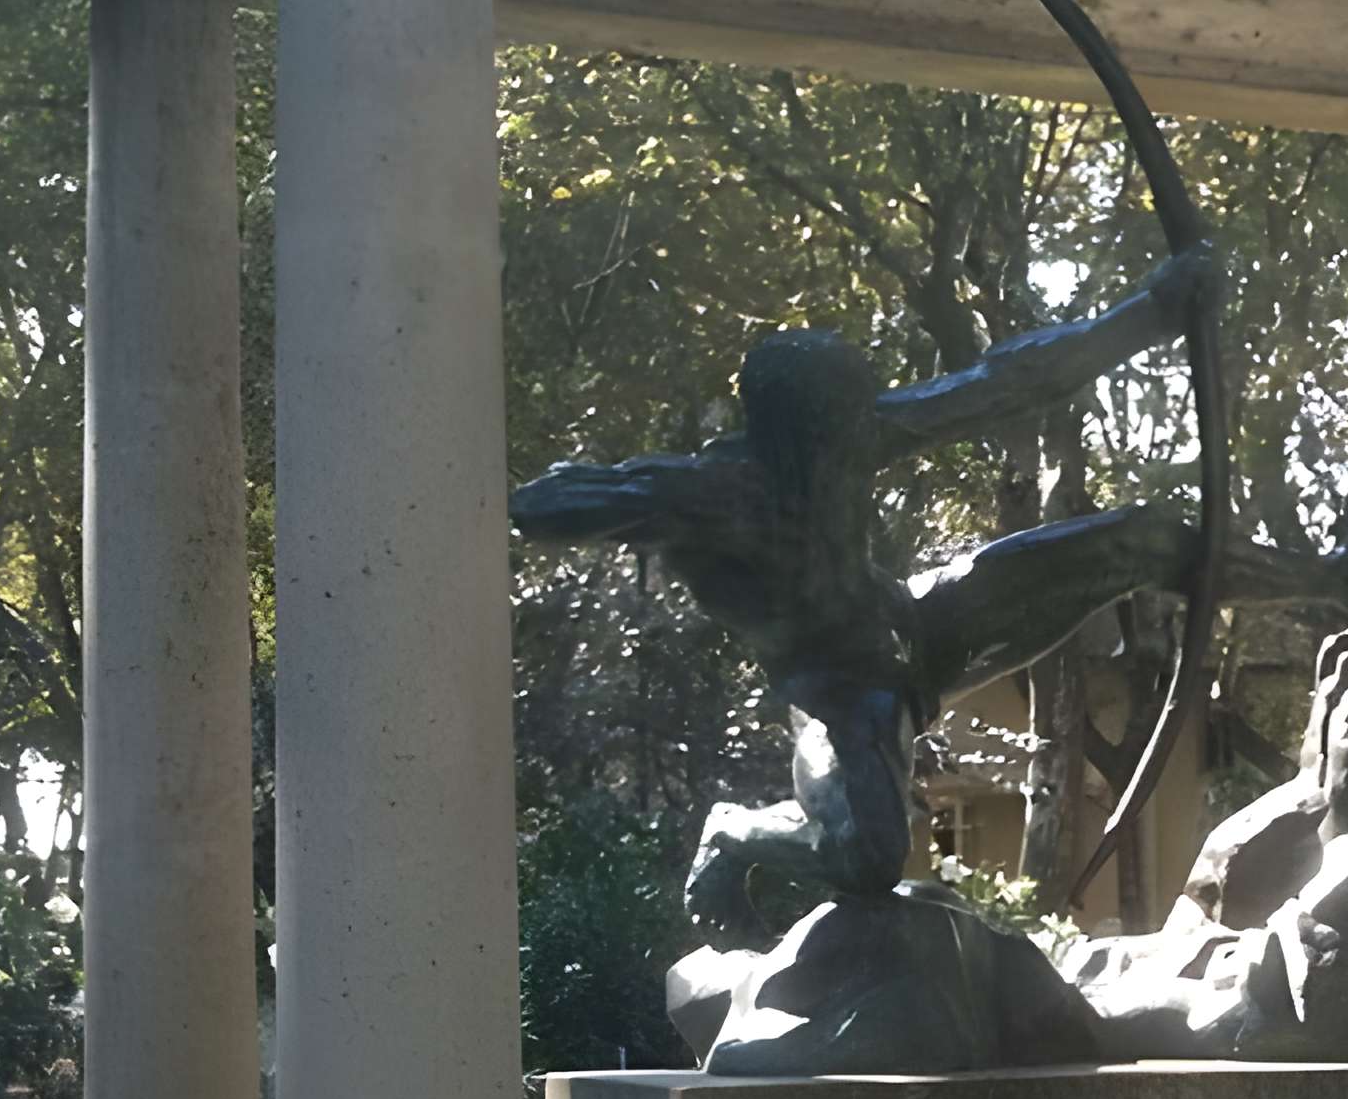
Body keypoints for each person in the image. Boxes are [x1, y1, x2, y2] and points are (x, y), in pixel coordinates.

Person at [509, 245, 1236, 936]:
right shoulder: (716, 494)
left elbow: (1007, 385)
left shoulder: (858, 434)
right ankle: (735, 831)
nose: (863, 430)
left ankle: (1335, 581)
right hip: (836, 692)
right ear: (796, 429)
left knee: (1137, 541)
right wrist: (603, 497)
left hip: (922, 627)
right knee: (865, 857)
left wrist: (1152, 311)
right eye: (843, 421)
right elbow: (551, 506)